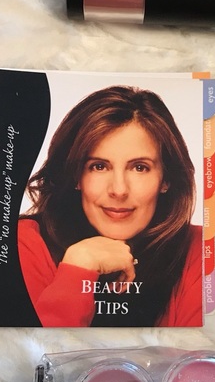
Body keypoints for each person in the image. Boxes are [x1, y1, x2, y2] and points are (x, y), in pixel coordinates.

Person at [17, 85, 202, 327]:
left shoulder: (199, 249)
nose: (119, 190)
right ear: (76, 176)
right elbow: (32, 346)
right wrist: (77, 269)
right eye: (99, 166)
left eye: (140, 167)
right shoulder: (26, 243)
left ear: (165, 179)